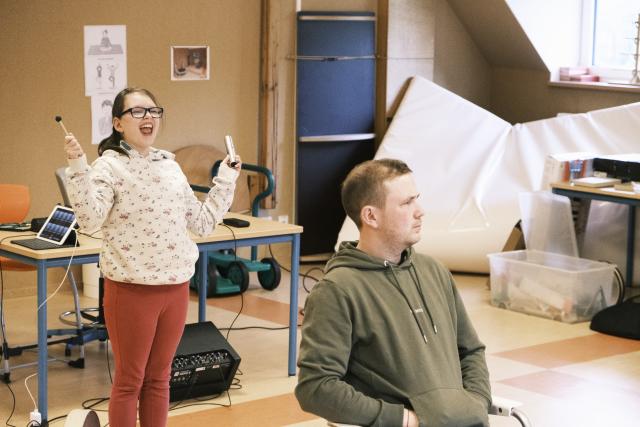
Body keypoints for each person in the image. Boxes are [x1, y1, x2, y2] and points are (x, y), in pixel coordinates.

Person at [62, 87, 241, 427]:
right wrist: (77, 165)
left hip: (174, 287)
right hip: (131, 290)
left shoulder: (170, 166)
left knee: (160, 379)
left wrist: (226, 179)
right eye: (138, 112)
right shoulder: (108, 166)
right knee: (130, 381)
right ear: (118, 123)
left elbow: (201, 224)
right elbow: (89, 218)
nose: (149, 118)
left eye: (154, 111)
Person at [295, 159, 491, 427]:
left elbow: (470, 351)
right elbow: (316, 388)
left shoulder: (433, 271)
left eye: (417, 200)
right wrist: (402, 420)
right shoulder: (337, 291)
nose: (420, 211)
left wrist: (477, 402)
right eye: (406, 203)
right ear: (371, 216)